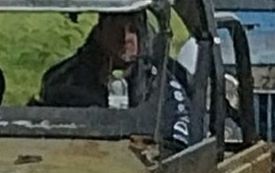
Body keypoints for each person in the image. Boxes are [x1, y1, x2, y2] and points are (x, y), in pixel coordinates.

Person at [36, 12, 194, 153]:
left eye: (132, 30)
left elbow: (180, 140)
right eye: (116, 29)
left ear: (143, 34)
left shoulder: (163, 83)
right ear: (100, 31)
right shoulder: (65, 81)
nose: (125, 38)